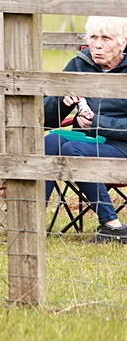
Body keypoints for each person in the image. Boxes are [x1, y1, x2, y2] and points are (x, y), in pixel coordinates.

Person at [43, 15, 127, 244]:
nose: (98, 45)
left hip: (122, 148)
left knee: (72, 150)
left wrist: (99, 123)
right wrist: (62, 101)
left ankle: (112, 226)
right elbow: (45, 119)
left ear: (123, 42)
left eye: (106, 38)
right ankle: (30, 225)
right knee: (49, 143)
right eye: (93, 37)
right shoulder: (78, 64)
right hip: (91, 142)